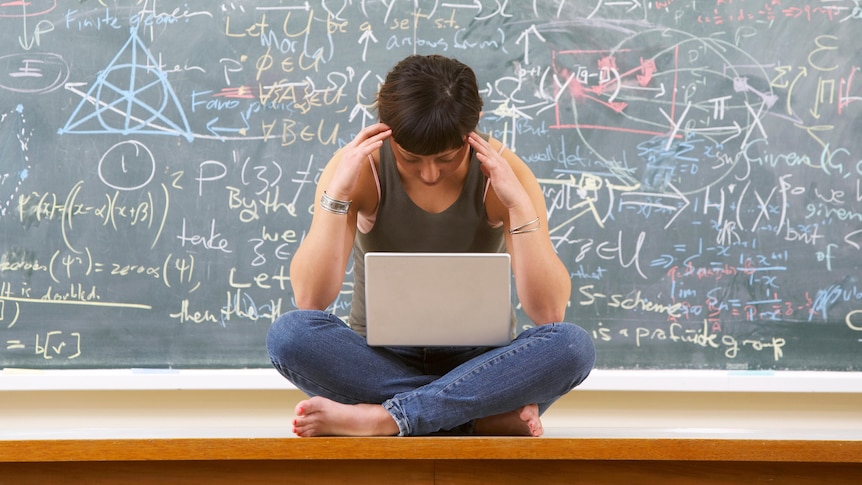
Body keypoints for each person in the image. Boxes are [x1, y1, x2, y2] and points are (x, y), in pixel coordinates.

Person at [266, 54, 595, 437]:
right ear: (389, 133)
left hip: (483, 365)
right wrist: (337, 194)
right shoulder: (359, 168)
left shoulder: (506, 173)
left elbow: (549, 311)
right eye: (411, 159)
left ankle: (385, 419)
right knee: (289, 335)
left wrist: (518, 204)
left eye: (448, 158)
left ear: (470, 134)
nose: (430, 174)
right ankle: (470, 418)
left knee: (573, 346)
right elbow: (311, 299)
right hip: (379, 362)